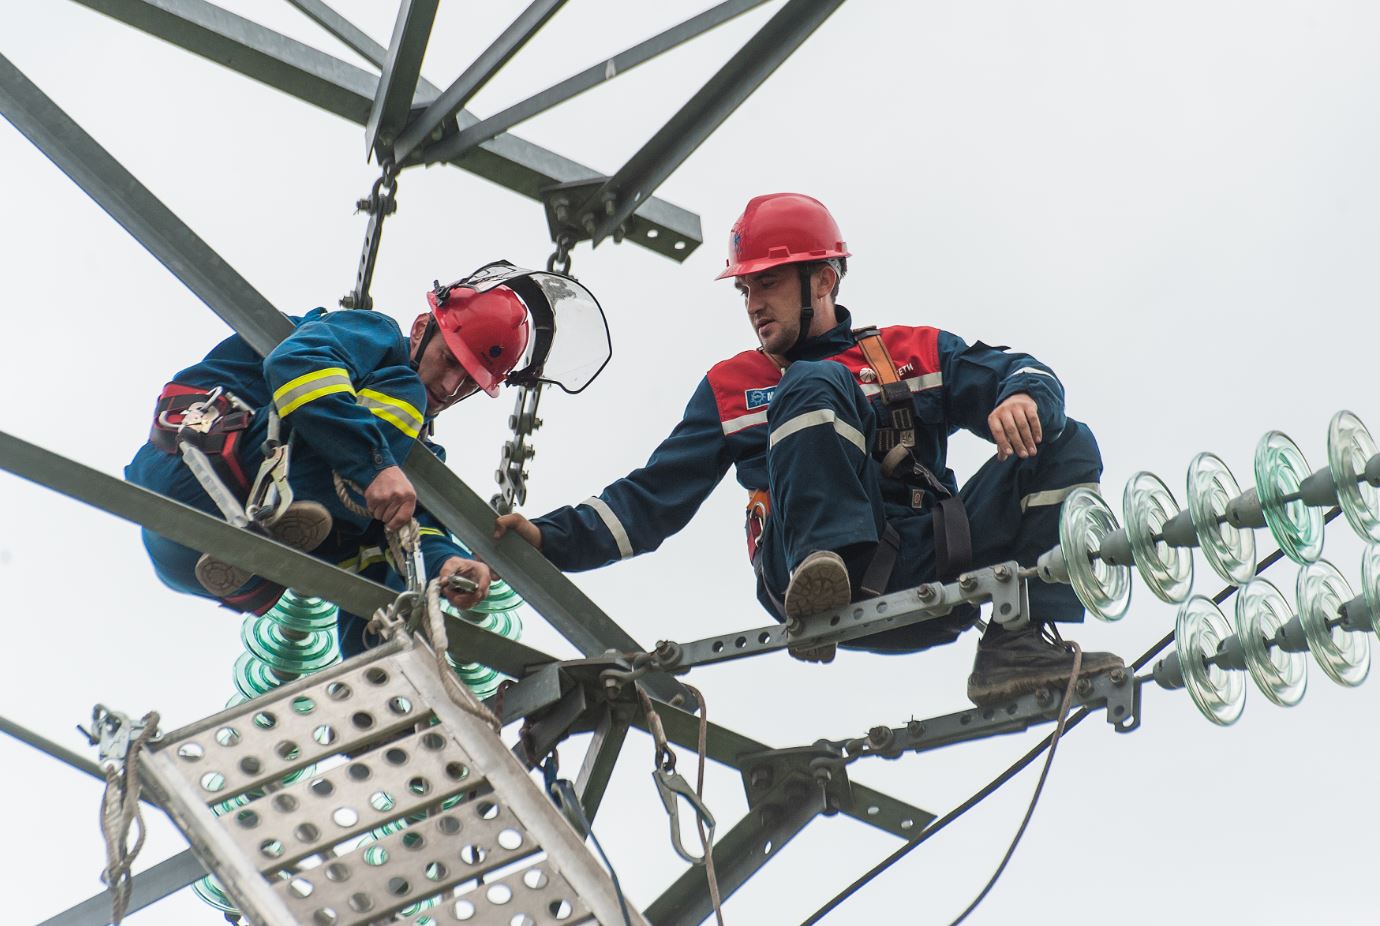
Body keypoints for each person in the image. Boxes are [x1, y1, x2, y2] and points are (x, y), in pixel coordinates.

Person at [495, 193, 1123, 705]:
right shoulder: (732, 386)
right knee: (813, 380)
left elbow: (1020, 371)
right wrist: (550, 540)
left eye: (766, 283)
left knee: (1068, 442)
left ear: (822, 279)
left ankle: (1016, 645)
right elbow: (649, 500)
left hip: (922, 558)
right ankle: (824, 566)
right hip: (798, 575)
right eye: (744, 290)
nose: (753, 304)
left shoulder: (911, 352)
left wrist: (1023, 401)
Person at [126, 263, 592, 657]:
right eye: (450, 361)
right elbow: (297, 365)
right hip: (198, 472)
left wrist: (448, 563)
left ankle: (379, 679)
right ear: (420, 330)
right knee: (396, 435)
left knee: (396, 547)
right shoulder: (373, 336)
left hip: (216, 562)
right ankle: (287, 507)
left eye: (470, 382)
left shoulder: (411, 449)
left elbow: (419, 526)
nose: (452, 388)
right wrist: (375, 466)